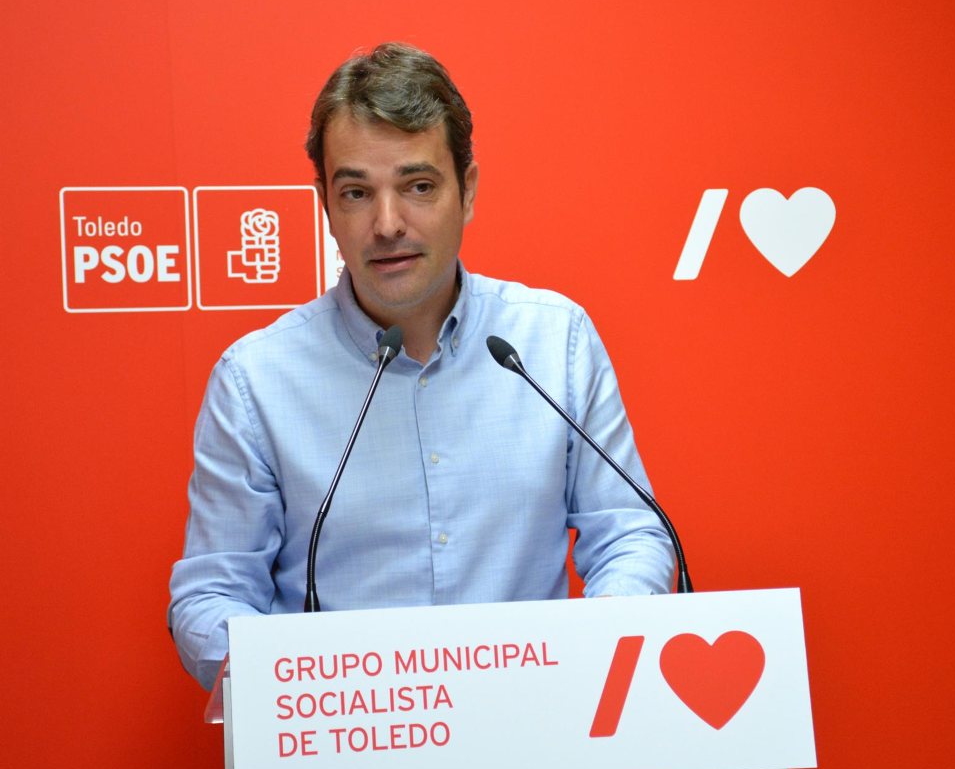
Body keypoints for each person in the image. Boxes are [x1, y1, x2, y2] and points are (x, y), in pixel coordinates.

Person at [168, 42, 674, 690]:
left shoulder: (554, 343)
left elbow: (630, 533)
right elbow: (211, 593)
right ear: (324, 203)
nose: (387, 223)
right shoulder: (257, 381)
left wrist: (597, 641)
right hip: (345, 748)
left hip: (540, 729)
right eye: (356, 192)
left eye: (419, 186)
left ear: (467, 191)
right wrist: (280, 678)